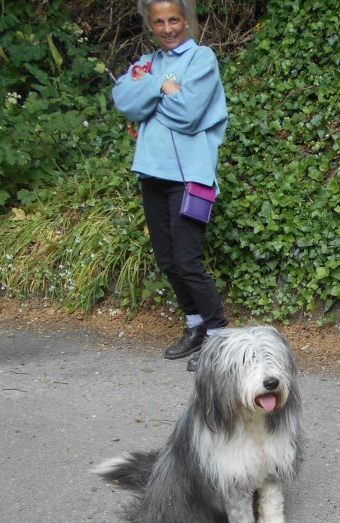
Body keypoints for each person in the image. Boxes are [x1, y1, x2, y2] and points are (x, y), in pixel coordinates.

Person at [113, 0, 229, 372]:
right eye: (159, 21)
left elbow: (188, 114)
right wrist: (159, 86)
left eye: (174, 19)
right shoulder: (149, 64)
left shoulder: (201, 60)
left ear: (186, 20)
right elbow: (122, 100)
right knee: (167, 259)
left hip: (190, 176)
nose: (167, 28)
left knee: (187, 261)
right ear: (151, 24)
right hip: (152, 173)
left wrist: (147, 97)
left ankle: (219, 338)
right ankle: (195, 325)